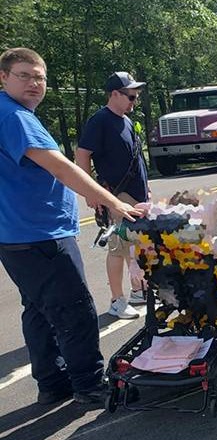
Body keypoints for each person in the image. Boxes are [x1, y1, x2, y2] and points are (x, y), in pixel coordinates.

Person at [0, 47, 142, 405]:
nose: (34, 83)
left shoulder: (9, 113)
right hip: (40, 234)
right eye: (24, 75)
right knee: (75, 309)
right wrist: (111, 201)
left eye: (39, 77)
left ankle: (53, 382)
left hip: (17, 233)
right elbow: (61, 167)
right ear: (3, 77)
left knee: (39, 309)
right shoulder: (14, 117)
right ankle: (90, 385)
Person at [76, 71, 149, 319]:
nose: (134, 101)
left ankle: (139, 290)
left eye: (136, 96)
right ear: (114, 94)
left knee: (135, 245)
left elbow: (134, 158)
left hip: (135, 195)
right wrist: (90, 192)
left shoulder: (125, 121)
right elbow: (82, 154)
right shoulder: (100, 121)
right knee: (118, 248)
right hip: (117, 195)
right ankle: (117, 300)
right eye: (130, 96)